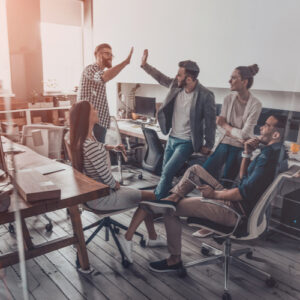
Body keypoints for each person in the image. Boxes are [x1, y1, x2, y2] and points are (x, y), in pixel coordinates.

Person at [142, 114, 286, 272]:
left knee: (169, 210)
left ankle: (174, 259)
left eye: (266, 125)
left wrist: (214, 195)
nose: (261, 127)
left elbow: (241, 194)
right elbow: (244, 179)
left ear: (276, 134)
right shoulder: (278, 154)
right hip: (237, 203)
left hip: (235, 211)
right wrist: (246, 153)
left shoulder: (267, 158)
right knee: (195, 170)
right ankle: (173, 197)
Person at [69, 101, 166, 264]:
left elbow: (96, 148)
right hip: (103, 197)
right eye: (93, 109)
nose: (97, 110)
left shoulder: (82, 140)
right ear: (87, 117)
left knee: (143, 195)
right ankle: (128, 238)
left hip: (91, 196)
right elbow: (109, 180)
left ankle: (154, 237)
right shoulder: (90, 145)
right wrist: (117, 185)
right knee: (150, 196)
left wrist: (110, 147)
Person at [194, 64, 262, 238]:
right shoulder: (228, 99)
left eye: (233, 78)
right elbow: (222, 127)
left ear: (244, 81)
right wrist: (231, 129)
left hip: (239, 148)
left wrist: (226, 125)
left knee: (227, 182)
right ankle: (206, 213)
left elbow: (244, 134)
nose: (229, 80)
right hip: (224, 142)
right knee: (205, 173)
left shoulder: (256, 104)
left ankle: (215, 221)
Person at [140, 49, 216, 202]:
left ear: (189, 79)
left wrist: (209, 143)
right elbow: (160, 78)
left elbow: (210, 122)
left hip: (187, 142)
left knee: (168, 171)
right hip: (172, 137)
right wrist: (145, 65)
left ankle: (157, 203)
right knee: (164, 171)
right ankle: (168, 202)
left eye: (180, 74)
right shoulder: (176, 85)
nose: (176, 76)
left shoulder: (205, 95)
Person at [78, 43, 133, 143]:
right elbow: (103, 77)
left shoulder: (99, 71)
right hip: (91, 123)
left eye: (111, 55)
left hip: (99, 123)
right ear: (97, 55)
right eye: (107, 54)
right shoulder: (91, 69)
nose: (110, 57)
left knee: (100, 152)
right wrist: (125, 63)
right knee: (94, 154)